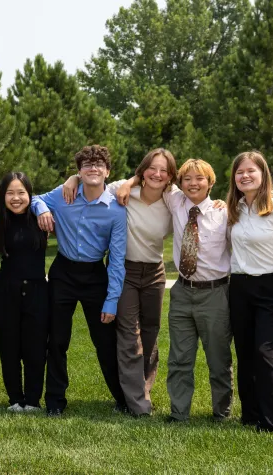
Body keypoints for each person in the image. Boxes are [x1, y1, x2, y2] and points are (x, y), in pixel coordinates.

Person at [62, 148, 176, 416]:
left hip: (155, 273)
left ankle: (142, 392)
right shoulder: (120, 191)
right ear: (142, 170)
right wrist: (72, 179)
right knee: (128, 335)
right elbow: (91, 177)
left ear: (171, 176)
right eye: (152, 168)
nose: (157, 174)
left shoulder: (173, 200)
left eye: (164, 170)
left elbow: (198, 198)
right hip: (124, 269)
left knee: (150, 333)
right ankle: (135, 403)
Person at [118, 158, 233, 423]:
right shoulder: (175, 201)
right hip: (182, 292)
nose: (193, 184)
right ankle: (179, 413)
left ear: (210, 183)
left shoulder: (224, 213)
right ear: (179, 183)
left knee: (218, 358)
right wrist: (129, 182)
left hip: (215, 293)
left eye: (200, 179)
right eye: (188, 179)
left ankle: (221, 413)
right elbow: (152, 178)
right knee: (180, 358)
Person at [32, 145, 128, 417]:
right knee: (58, 339)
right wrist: (41, 210)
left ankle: (122, 398)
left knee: (105, 341)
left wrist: (111, 301)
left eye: (99, 164)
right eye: (87, 164)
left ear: (108, 171)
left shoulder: (116, 211)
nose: (93, 168)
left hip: (95, 275)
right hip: (63, 272)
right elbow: (32, 198)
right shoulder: (64, 196)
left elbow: (118, 259)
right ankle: (54, 401)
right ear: (79, 171)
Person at [226, 150, 273, 433]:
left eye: (250, 171)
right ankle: (250, 414)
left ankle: (272, 422)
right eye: (239, 172)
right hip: (240, 288)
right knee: (244, 352)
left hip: (270, 288)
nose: (245, 176)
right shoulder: (235, 209)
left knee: (264, 351)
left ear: (262, 174)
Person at [0, 172, 49, 412]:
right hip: (6, 290)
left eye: (21, 193)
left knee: (35, 348)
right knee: (9, 346)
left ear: (30, 195)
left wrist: (42, 206)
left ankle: (33, 400)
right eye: (10, 193)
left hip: (37, 290)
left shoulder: (42, 218)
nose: (16, 198)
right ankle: (15, 399)